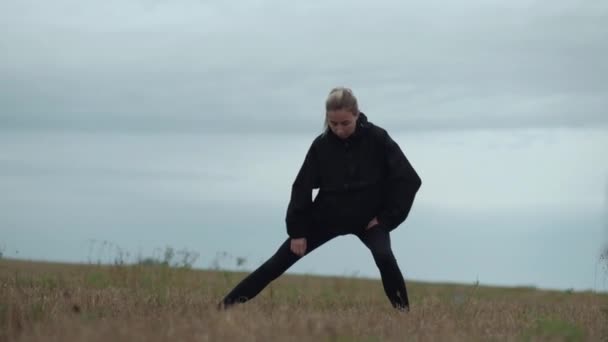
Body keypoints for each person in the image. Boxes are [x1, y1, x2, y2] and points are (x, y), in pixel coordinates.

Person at [218, 87, 422, 311]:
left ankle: (404, 315)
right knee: (276, 263)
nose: (339, 129)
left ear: (357, 114)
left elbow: (408, 180)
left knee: (384, 257)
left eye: (345, 123)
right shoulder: (321, 145)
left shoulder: (378, 139)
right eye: (333, 124)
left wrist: (385, 219)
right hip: (325, 218)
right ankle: (224, 308)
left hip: (369, 221)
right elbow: (302, 187)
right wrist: (297, 231)